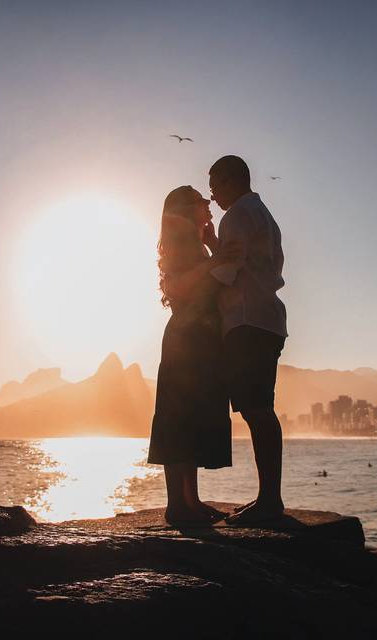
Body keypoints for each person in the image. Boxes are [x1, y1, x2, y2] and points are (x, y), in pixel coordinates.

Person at [147, 185, 239, 525]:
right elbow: (177, 287)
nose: (209, 203)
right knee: (179, 417)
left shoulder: (197, 243)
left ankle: (191, 501)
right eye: (203, 200)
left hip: (202, 338)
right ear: (187, 209)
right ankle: (177, 506)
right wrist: (213, 262)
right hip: (187, 340)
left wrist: (213, 249)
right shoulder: (181, 244)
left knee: (195, 416)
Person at [207, 155, 289, 524]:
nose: (212, 192)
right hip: (266, 318)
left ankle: (270, 502)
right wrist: (213, 244)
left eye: (214, 183)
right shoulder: (263, 214)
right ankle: (269, 498)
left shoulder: (237, 215)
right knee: (260, 409)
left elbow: (226, 273)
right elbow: (248, 265)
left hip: (246, 321)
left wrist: (187, 287)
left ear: (230, 180)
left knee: (257, 411)